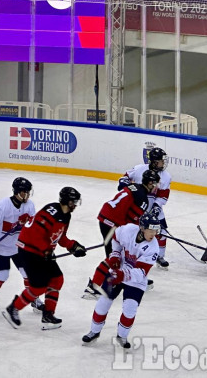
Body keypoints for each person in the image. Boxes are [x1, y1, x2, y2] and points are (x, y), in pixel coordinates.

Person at [2, 187, 87, 331]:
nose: (75, 205)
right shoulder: (51, 211)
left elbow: (60, 237)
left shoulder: (66, 216)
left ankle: (48, 315)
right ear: (67, 201)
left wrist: (73, 246)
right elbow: (35, 233)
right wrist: (46, 250)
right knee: (38, 287)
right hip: (29, 251)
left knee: (57, 279)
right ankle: (13, 308)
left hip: (43, 252)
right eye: (74, 202)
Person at [81, 207, 161, 349]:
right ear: (142, 228)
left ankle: (122, 336)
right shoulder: (128, 230)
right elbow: (115, 238)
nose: (154, 234)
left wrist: (123, 275)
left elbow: (142, 272)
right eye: (151, 230)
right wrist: (115, 255)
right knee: (103, 302)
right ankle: (94, 331)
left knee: (130, 309)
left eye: (156, 230)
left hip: (135, 280)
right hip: (118, 271)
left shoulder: (153, 247)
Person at [82, 169, 163, 299]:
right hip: (111, 223)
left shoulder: (135, 187)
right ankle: (94, 287)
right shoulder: (142, 199)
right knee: (112, 256)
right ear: (150, 183)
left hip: (107, 218)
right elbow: (132, 224)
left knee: (118, 254)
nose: (156, 188)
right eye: (156, 184)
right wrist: (147, 228)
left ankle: (123, 278)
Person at [0, 177, 44, 316]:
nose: (26, 195)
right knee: (2, 274)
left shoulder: (29, 206)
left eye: (28, 192)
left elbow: (32, 227)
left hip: (19, 246)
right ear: (16, 192)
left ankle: (34, 299)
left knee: (29, 273)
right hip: (1, 248)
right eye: (23, 193)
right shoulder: (2, 206)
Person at [119, 147, 172, 269]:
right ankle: (128, 253)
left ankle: (159, 255)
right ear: (153, 161)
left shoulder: (166, 176)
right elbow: (124, 177)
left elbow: (163, 196)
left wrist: (156, 207)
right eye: (161, 161)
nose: (163, 163)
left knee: (162, 231)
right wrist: (124, 184)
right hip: (136, 206)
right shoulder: (139, 169)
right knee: (134, 231)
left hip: (153, 206)